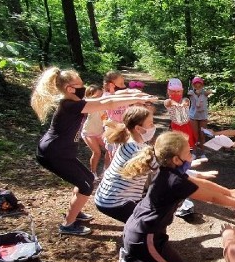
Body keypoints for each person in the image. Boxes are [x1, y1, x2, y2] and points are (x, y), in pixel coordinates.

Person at [120, 131, 235, 262]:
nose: (191, 155)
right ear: (176, 159)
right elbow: (210, 197)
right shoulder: (175, 181)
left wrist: (230, 192)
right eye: (188, 153)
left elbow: (201, 183)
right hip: (145, 237)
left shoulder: (171, 171)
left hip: (146, 232)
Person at [30, 67, 153, 235]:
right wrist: (136, 97)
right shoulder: (71, 105)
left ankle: (74, 211)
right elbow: (107, 103)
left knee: (86, 179)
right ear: (69, 89)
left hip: (62, 152)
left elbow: (109, 98)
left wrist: (135, 96)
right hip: (53, 153)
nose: (83, 87)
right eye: (79, 85)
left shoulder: (73, 101)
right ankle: (67, 225)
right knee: (86, 184)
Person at [102, 70, 131, 169]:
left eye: (124, 83)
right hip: (112, 132)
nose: (123, 86)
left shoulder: (124, 96)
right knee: (113, 157)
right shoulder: (106, 97)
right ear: (111, 85)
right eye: (121, 84)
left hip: (124, 130)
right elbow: (104, 118)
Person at [79, 85, 108, 179]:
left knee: (109, 149)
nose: (99, 98)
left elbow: (104, 118)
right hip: (88, 132)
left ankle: (106, 170)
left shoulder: (103, 105)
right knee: (97, 152)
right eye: (96, 96)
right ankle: (93, 172)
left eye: (101, 95)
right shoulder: (88, 106)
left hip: (99, 132)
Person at [164, 78, 196, 150]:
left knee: (189, 142)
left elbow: (186, 102)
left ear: (182, 91)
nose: (176, 93)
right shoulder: (168, 101)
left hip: (186, 125)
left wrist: (183, 104)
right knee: (177, 143)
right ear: (168, 91)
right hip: (175, 125)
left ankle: (190, 154)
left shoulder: (185, 99)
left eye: (178, 91)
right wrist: (177, 104)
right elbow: (170, 102)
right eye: (173, 91)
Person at [188, 76, 212, 159]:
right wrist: (197, 92)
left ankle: (202, 153)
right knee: (195, 135)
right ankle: (194, 152)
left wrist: (205, 92)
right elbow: (192, 93)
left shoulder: (204, 93)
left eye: (199, 86)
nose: (197, 87)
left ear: (202, 85)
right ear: (193, 85)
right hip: (193, 116)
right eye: (196, 86)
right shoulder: (191, 92)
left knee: (202, 135)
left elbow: (209, 92)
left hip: (203, 116)